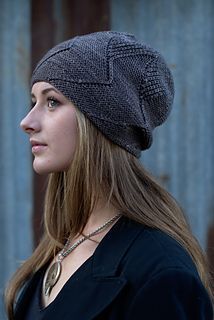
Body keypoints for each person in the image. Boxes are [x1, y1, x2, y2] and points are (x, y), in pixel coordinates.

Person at [5, 31, 213, 320]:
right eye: (33, 101)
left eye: (52, 101)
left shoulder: (160, 273)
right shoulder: (60, 245)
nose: (27, 122)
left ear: (100, 121)